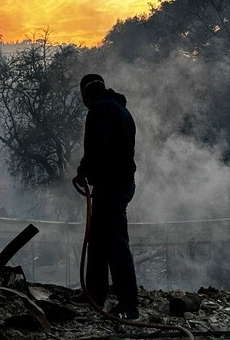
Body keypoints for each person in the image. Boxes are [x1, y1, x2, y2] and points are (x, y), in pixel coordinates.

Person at [72, 73, 139, 320]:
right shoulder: (123, 111)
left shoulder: (98, 110)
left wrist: (82, 172)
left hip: (111, 186)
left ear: (86, 93)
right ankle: (95, 294)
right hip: (120, 183)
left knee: (115, 244)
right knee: (98, 241)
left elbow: (96, 148)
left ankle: (129, 304)